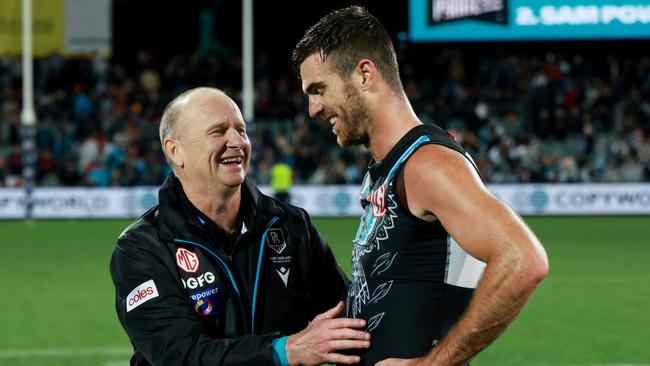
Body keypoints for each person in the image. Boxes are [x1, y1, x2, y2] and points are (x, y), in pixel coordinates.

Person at [292, 6, 549, 365]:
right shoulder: (389, 169)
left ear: (365, 74)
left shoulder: (427, 164)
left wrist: (432, 363)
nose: (313, 109)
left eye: (319, 89)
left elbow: (523, 260)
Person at [109, 87, 371, 365]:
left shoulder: (291, 225)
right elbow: (179, 355)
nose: (236, 141)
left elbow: (351, 318)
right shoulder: (143, 248)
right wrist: (284, 351)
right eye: (218, 131)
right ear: (175, 151)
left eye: (241, 130)